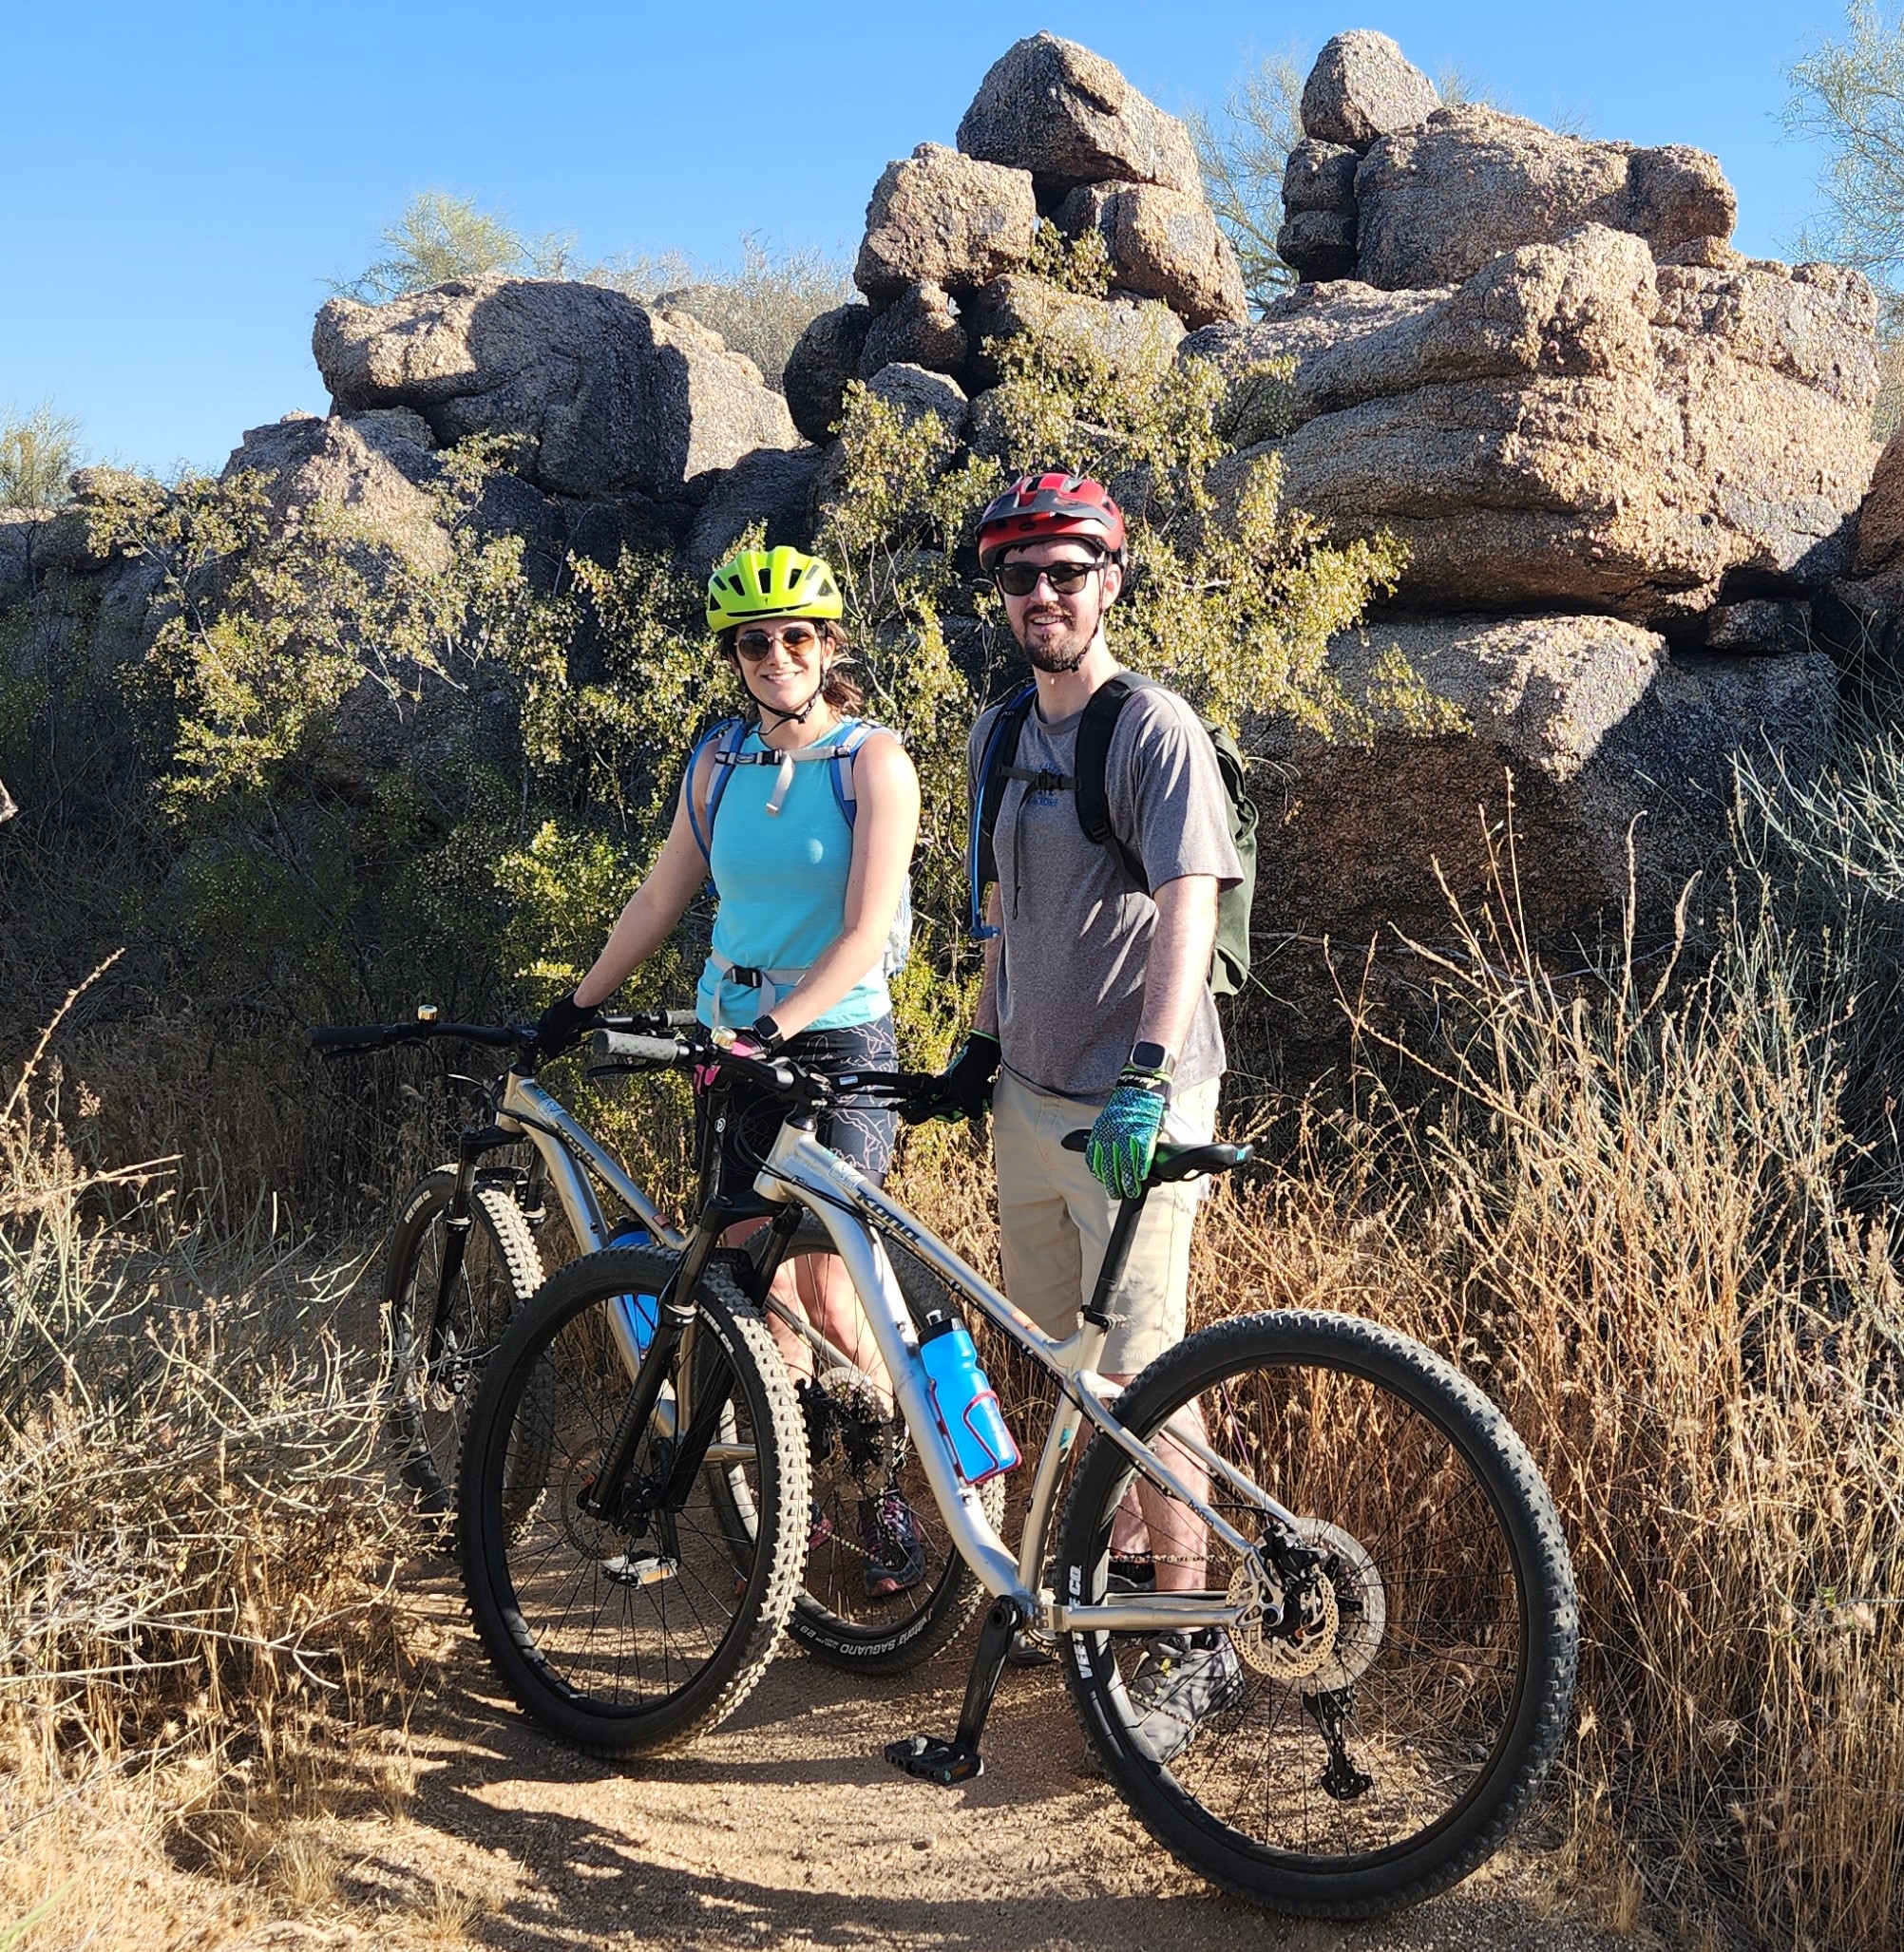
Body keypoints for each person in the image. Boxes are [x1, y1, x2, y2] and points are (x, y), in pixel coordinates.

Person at [534, 544, 928, 1600]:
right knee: (750, 1282)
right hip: (732, 1042)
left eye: (796, 636)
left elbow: (861, 934)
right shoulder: (717, 763)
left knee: (829, 1284)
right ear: (734, 656)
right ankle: (785, 1503)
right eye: (754, 641)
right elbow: (663, 898)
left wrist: (778, 1029)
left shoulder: (872, 763)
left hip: (839, 1048)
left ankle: (882, 1497)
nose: (775, 655)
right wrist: (579, 1003)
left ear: (829, 644)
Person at [930, 471, 1247, 1757]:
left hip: (1137, 1100)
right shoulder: (1001, 734)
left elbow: (1188, 902)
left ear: (1113, 579)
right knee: (1067, 1360)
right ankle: (1115, 1591)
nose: (1043, 594)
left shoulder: (1151, 727)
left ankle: (1193, 1636)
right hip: (1030, 1092)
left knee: (1148, 1371)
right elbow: (1005, 910)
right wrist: (977, 1039)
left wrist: (1150, 1070)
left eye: (1068, 570)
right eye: (1021, 575)